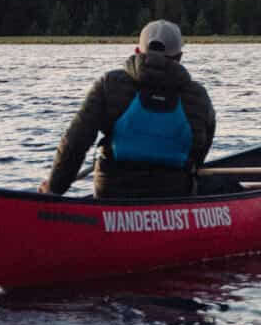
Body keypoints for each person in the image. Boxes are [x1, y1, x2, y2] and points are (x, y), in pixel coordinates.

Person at [40, 20, 216, 200]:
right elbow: (199, 152)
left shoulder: (109, 83)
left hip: (112, 194)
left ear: (138, 52)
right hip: (174, 195)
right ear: (179, 57)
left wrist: (54, 189)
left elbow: (75, 142)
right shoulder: (198, 95)